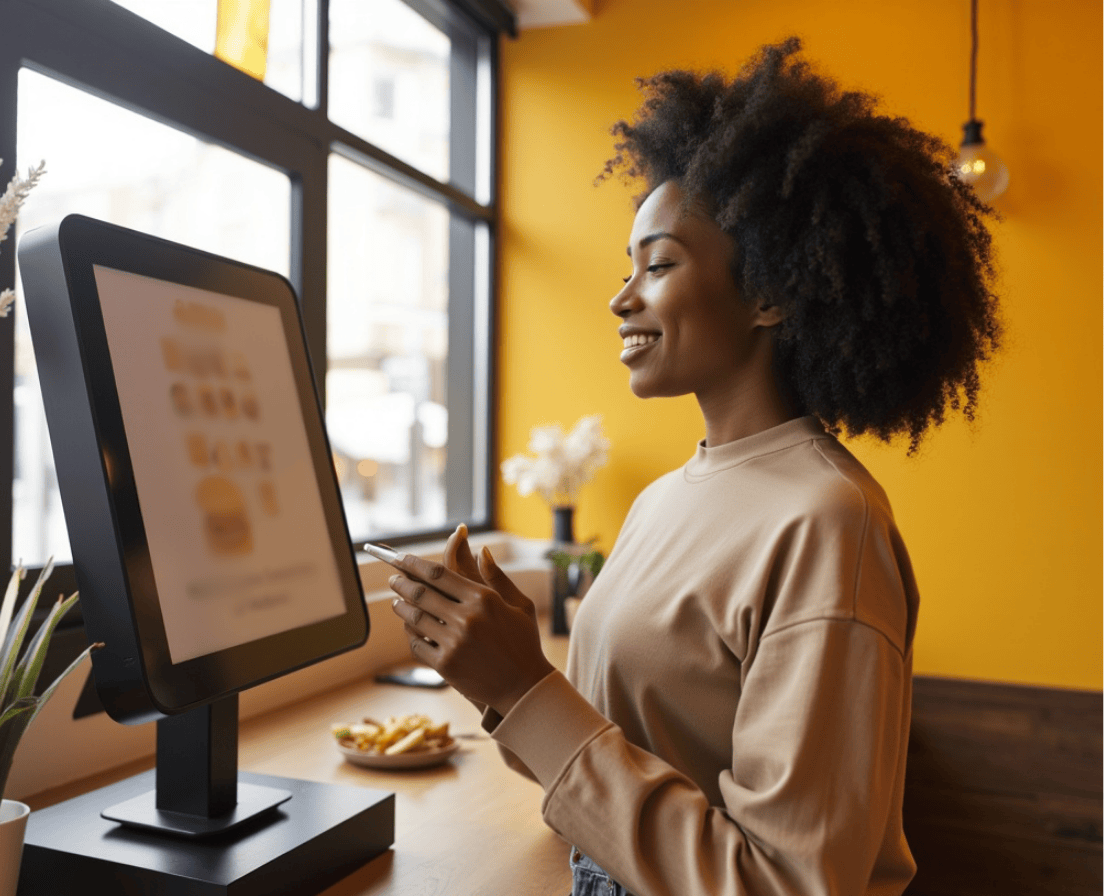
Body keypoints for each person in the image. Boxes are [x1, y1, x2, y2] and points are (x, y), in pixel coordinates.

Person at [384, 37, 1000, 896]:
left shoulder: (829, 522)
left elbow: (790, 883)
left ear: (770, 293)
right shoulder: (662, 500)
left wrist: (526, 690)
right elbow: (604, 778)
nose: (620, 296)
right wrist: (499, 676)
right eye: (625, 266)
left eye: (659, 264)